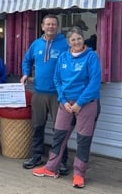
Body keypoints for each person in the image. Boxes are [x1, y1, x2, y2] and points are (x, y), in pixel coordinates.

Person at [32, 26, 101, 188]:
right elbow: (57, 80)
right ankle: (51, 168)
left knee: (83, 140)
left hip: (86, 104)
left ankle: (79, 173)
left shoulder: (91, 57)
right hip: (65, 104)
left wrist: (79, 104)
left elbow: (94, 83)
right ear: (68, 43)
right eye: (73, 40)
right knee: (59, 136)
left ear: (83, 39)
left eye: (78, 38)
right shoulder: (63, 57)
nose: (76, 42)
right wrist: (63, 101)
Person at [20, 14, 69, 172]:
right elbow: (27, 60)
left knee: (59, 129)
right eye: (48, 24)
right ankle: (36, 156)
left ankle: (60, 160)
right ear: (42, 26)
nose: (51, 27)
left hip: (58, 94)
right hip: (39, 93)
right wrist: (26, 73)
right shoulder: (36, 44)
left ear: (57, 26)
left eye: (53, 24)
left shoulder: (65, 44)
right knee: (37, 126)